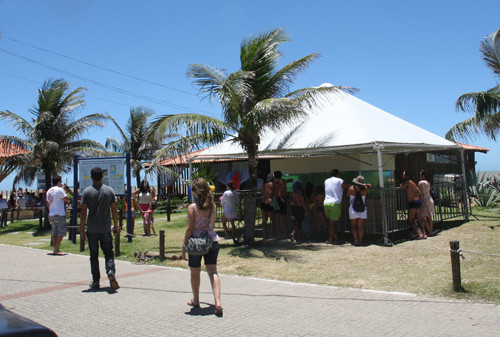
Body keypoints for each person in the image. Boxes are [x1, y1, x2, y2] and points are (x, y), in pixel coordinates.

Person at [181, 177, 222, 316]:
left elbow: (189, 229)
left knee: (195, 272)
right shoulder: (213, 206)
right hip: (211, 240)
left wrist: (184, 244)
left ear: (196, 192)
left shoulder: (192, 208)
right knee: (213, 272)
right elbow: (211, 224)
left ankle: (196, 300)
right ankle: (217, 302)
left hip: (196, 243)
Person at [80, 167, 120, 290]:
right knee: (108, 252)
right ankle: (110, 270)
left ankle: (96, 281)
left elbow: (83, 212)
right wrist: (116, 226)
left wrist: (82, 229)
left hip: (92, 228)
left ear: (91, 177)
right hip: (105, 227)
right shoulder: (109, 191)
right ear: (103, 176)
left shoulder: (86, 192)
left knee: (93, 255)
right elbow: (114, 209)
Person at [324, 169, 349, 244]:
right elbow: (347, 186)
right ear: (338, 174)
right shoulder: (340, 180)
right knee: (332, 223)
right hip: (335, 203)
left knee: (329, 222)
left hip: (326, 202)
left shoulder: (326, 181)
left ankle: (333, 237)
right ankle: (330, 240)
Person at [46, 176, 69, 255]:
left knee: (54, 231)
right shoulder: (60, 190)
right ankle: (56, 249)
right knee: (61, 231)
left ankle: (55, 248)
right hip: (59, 213)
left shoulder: (49, 190)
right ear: (59, 182)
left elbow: (47, 202)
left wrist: (50, 211)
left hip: (52, 213)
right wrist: (64, 190)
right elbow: (66, 198)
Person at [347, 175, 372, 246]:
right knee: (361, 226)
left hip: (352, 209)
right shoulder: (365, 188)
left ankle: (356, 240)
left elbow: (347, 195)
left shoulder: (351, 188)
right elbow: (370, 185)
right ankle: (360, 241)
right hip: (362, 209)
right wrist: (365, 184)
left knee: (354, 226)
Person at [400, 171, 426, 239]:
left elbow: (402, 187)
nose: (402, 176)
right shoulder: (413, 183)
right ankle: (425, 234)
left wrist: (401, 182)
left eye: (403, 175)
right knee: (419, 219)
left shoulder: (408, 182)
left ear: (406, 176)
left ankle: (419, 234)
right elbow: (419, 191)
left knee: (410, 220)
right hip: (418, 201)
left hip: (413, 202)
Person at [418, 169, 435, 237]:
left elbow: (418, 190)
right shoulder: (428, 182)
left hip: (424, 200)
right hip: (429, 199)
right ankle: (431, 231)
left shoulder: (421, 182)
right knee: (429, 217)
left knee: (423, 217)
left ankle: (429, 231)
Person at [272, 170, 288, 239]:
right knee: (284, 218)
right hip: (283, 200)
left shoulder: (274, 183)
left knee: (277, 218)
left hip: (278, 199)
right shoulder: (284, 182)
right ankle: (284, 234)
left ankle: (278, 234)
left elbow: (276, 193)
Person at [260, 173, 274, 239]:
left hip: (263, 202)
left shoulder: (263, 185)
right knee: (273, 220)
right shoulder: (272, 184)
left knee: (264, 220)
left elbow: (261, 192)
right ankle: (271, 234)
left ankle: (265, 234)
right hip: (269, 202)